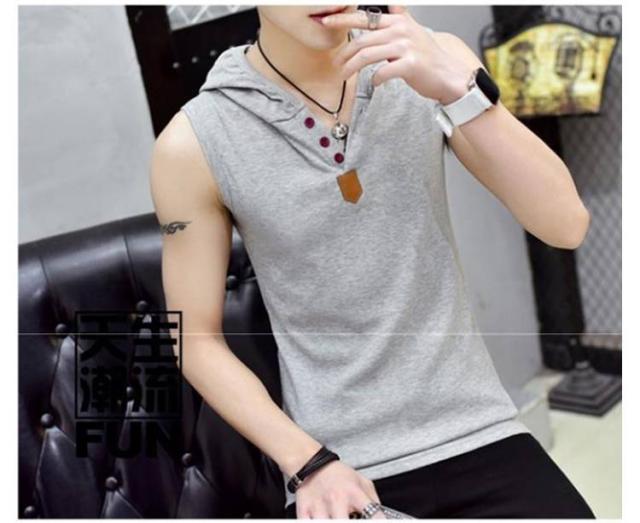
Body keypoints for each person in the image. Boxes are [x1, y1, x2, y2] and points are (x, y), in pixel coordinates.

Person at [150, 5, 594, 519]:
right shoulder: (194, 142)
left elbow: (565, 225)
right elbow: (195, 339)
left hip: (479, 431)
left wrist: (457, 90)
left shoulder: (433, 60)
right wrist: (307, 462)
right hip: (339, 469)